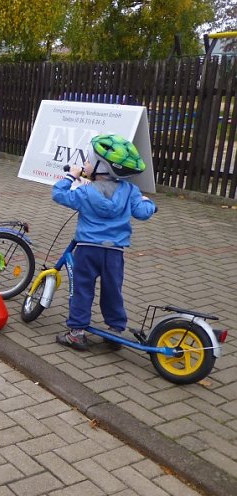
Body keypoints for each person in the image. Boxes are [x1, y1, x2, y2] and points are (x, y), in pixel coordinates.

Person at [52, 133, 157, 349]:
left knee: (82, 289)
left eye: (89, 161)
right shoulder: (130, 191)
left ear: (101, 167)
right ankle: (114, 330)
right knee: (112, 290)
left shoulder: (85, 192)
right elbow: (144, 213)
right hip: (114, 252)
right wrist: (149, 203)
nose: (85, 164)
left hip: (87, 250)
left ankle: (77, 332)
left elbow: (59, 194)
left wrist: (70, 177)